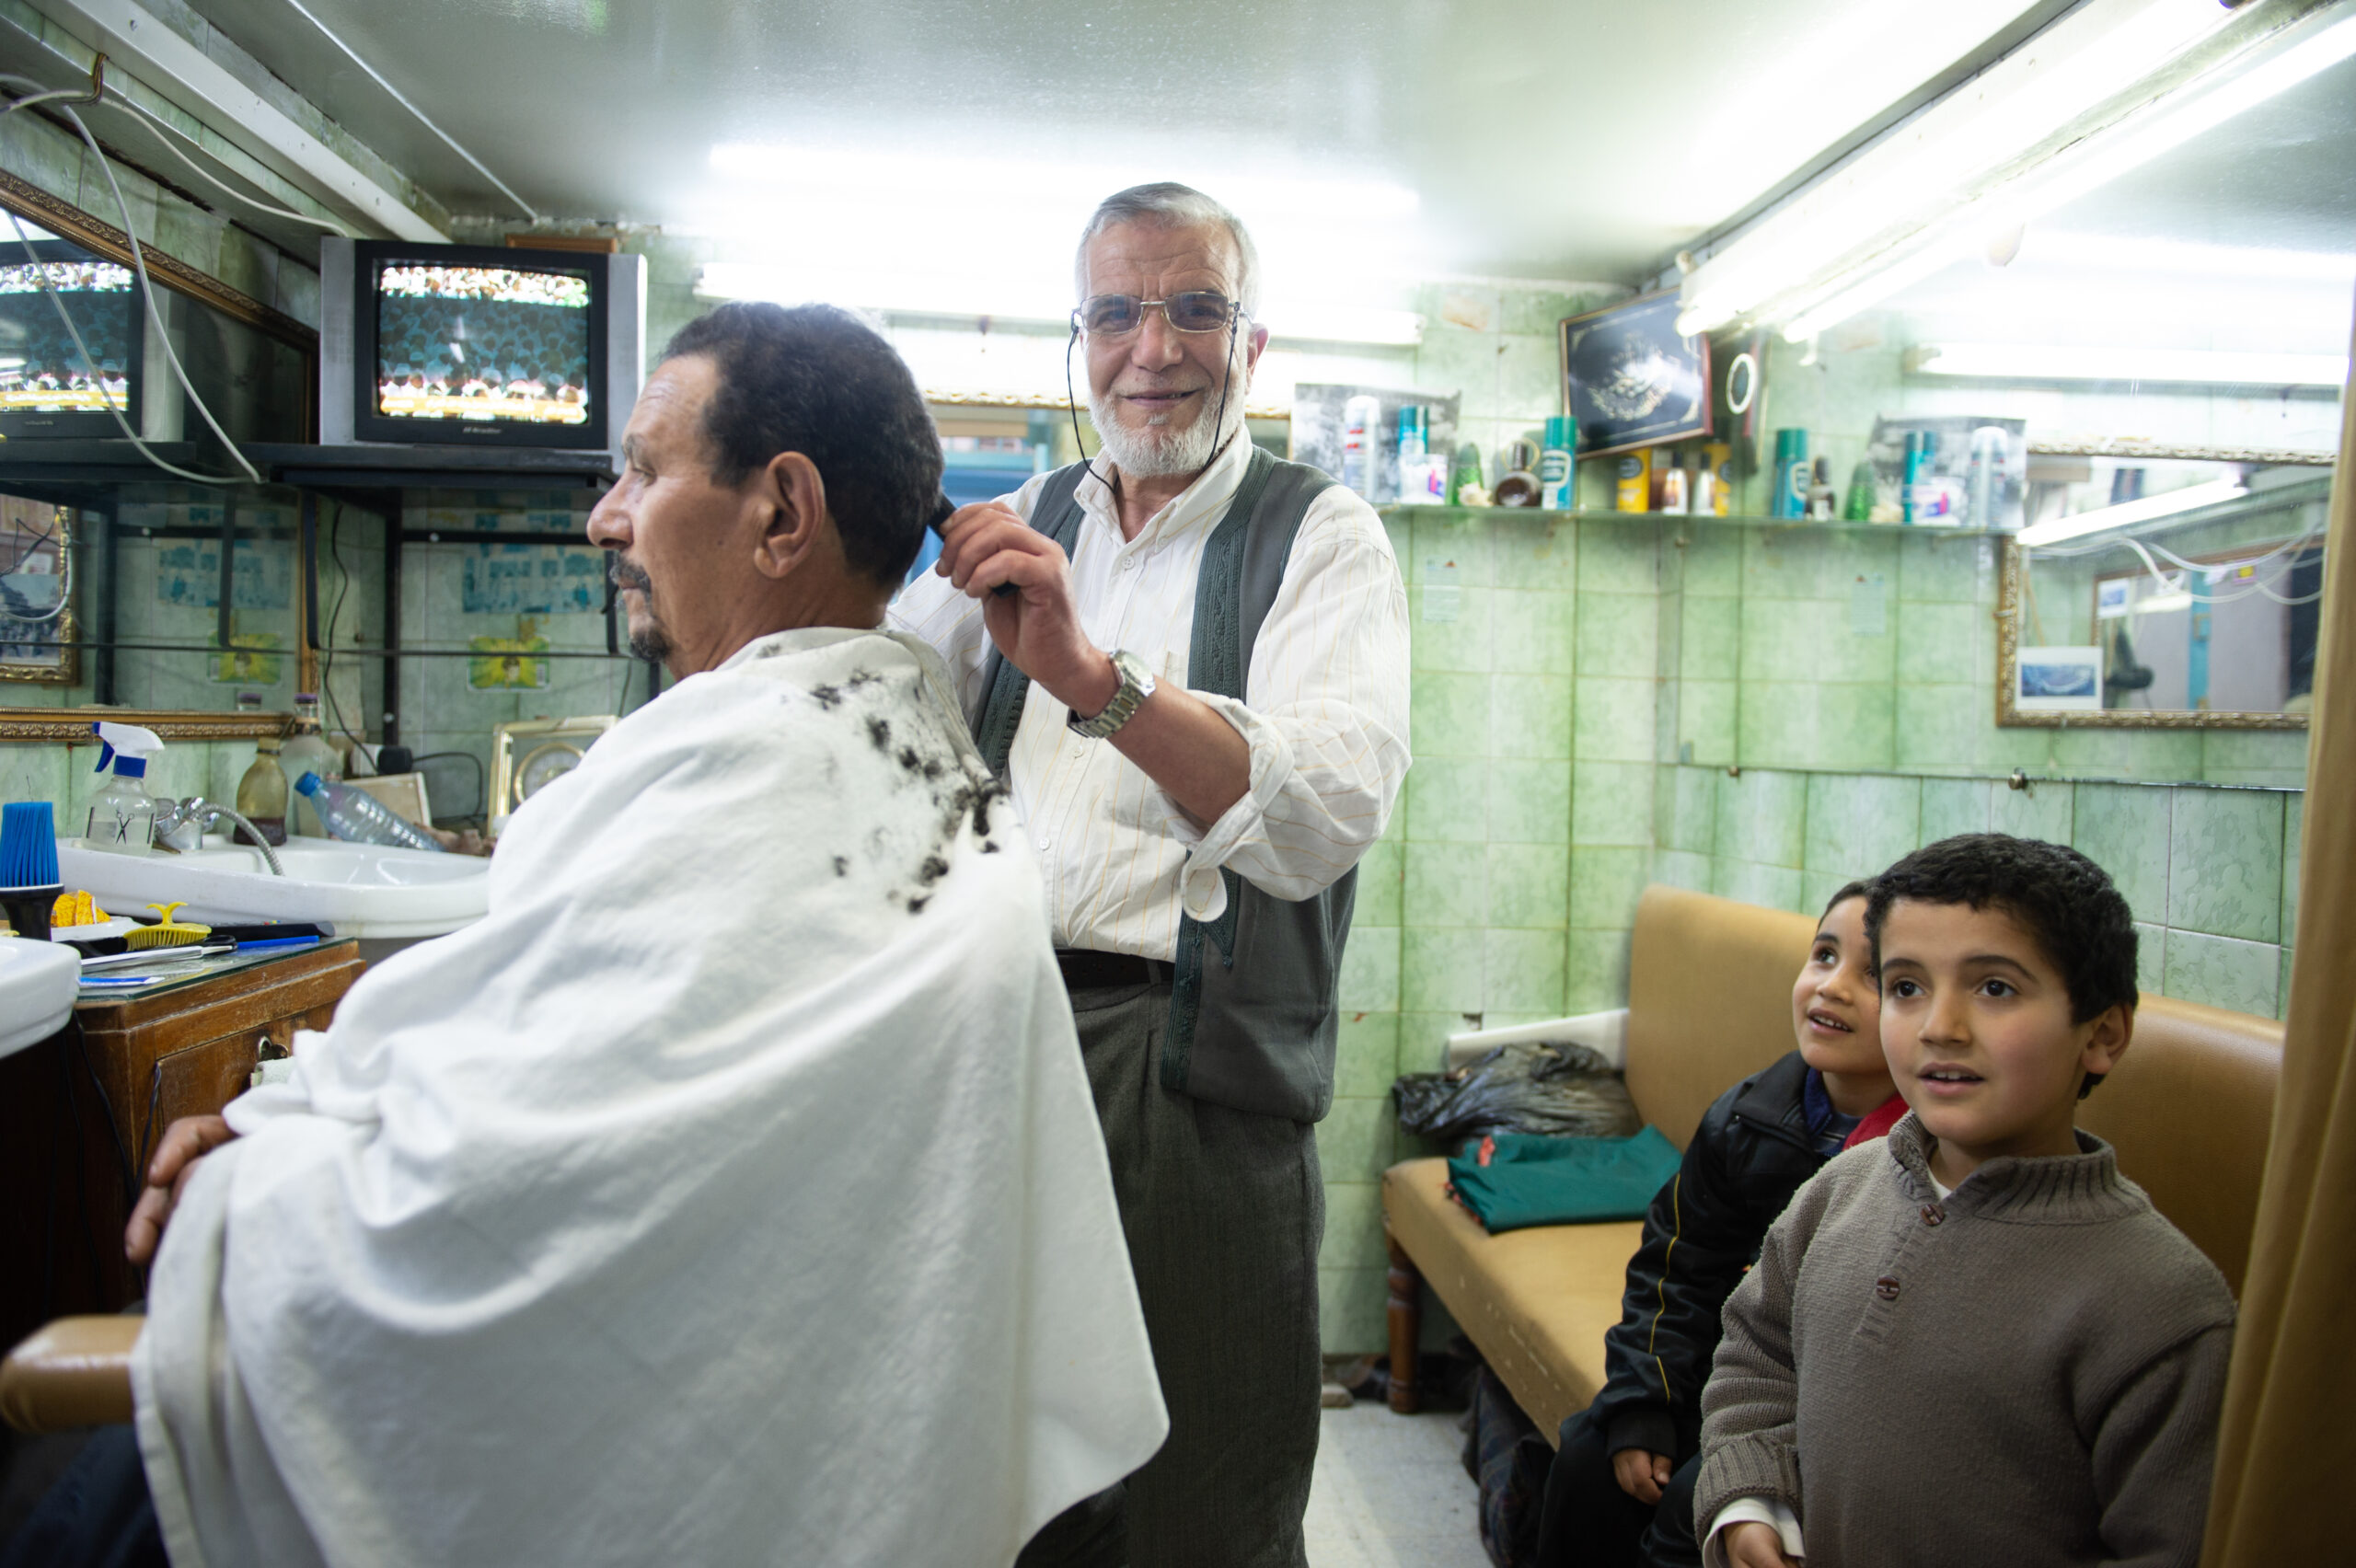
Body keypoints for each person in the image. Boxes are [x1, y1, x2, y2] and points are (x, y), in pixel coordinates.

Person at [6, 302, 1165, 1568]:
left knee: (100, 1483)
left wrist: (259, 1166)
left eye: (646, 471)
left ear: (782, 512)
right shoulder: (901, 752)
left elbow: (502, 1178)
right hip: (776, 1389)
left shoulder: (745, 767)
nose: (606, 516)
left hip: (650, 1403)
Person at [892, 181, 1410, 1568]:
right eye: (1118, 312)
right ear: (1081, 338)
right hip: (990, 1038)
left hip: (1190, 1067)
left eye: (1194, 309)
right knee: (1012, 1477)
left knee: (1202, 1488)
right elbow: (881, 728)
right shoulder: (1008, 528)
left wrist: (1086, 677)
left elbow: (1328, 803)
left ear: (1249, 346)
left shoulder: (1320, 535)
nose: (1154, 347)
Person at [1698, 835, 2237, 1568]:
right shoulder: (1839, 1192)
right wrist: (1751, 1500)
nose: (1939, 1028)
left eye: (1995, 988)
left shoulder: (2163, 1306)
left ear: (2103, 1034)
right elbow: (1759, 1354)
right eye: (1907, 987)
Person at [1535, 882, 1906, 1568]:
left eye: (1878, 975)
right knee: (1593, 1455)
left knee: (1692, 1502)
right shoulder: (1748, 1116)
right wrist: (1646, 1401)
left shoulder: (1926, 1150)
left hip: (1823, 1412)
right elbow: (1676, 1267)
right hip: (1721, 1374)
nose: (1834, 987)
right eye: (1824, 955)